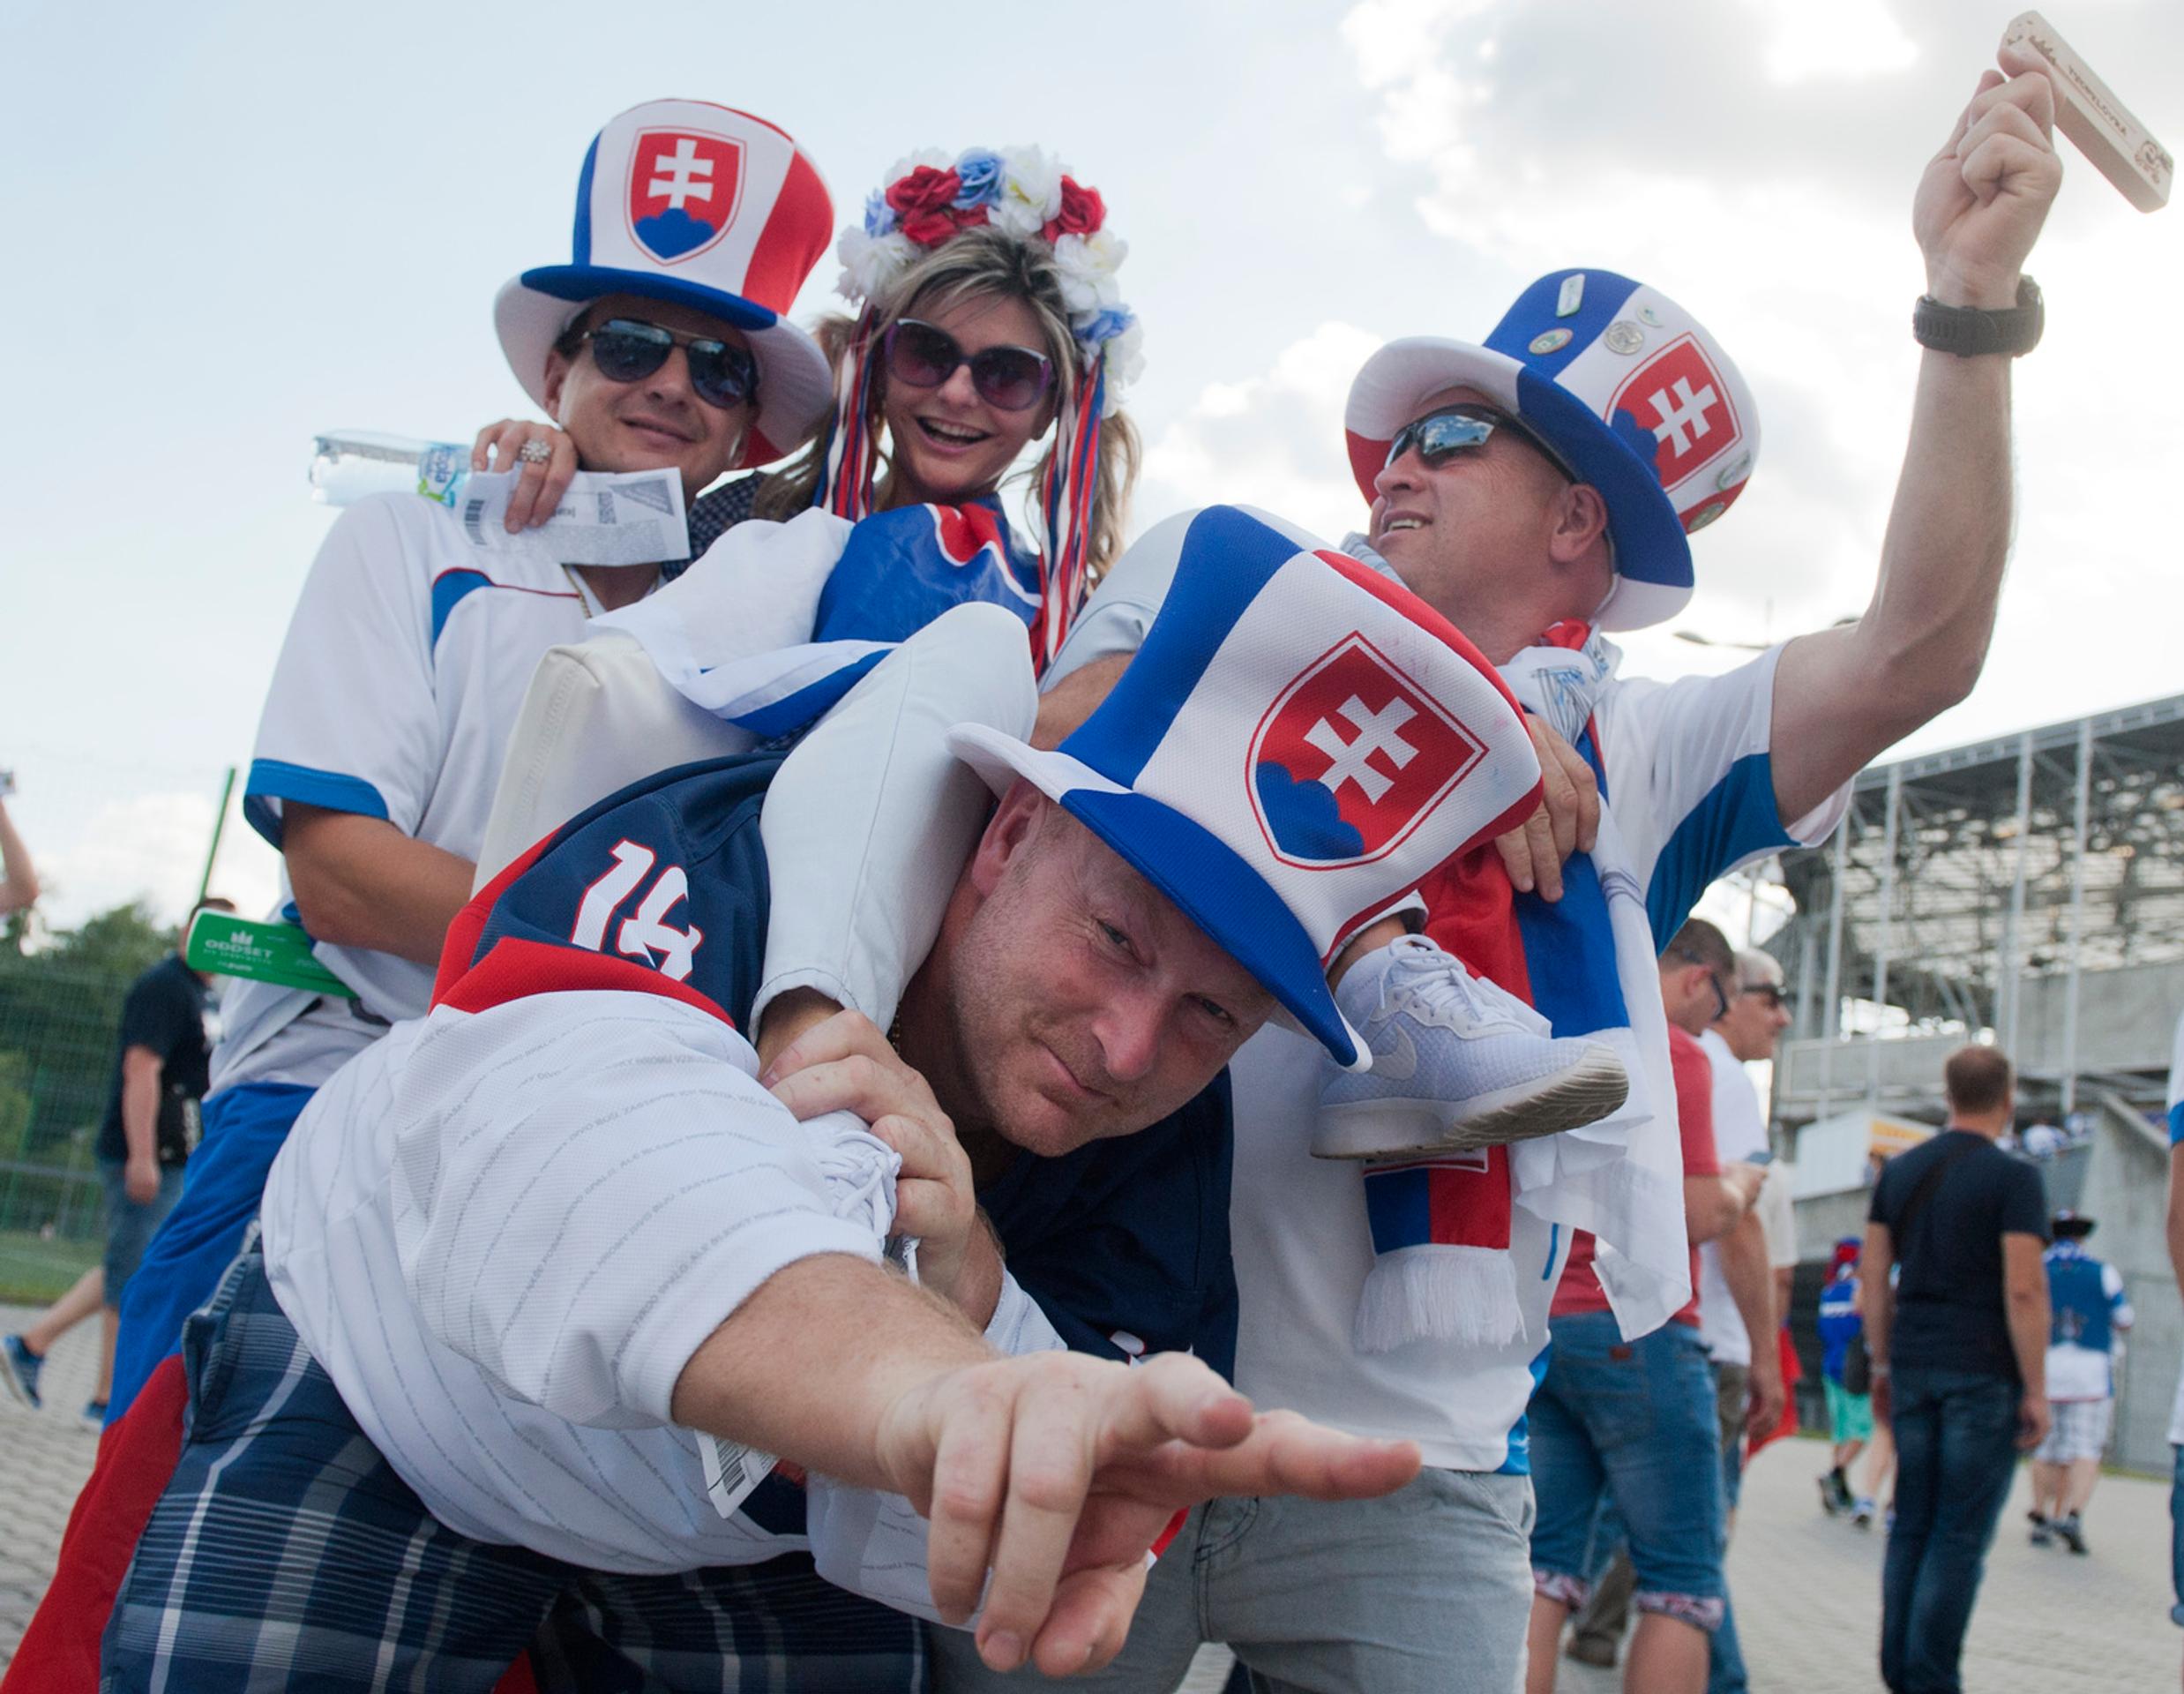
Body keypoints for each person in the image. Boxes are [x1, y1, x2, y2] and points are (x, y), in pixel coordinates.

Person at [943, 47, 2063, 1694]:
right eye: (1399, 430)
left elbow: (1917, 655)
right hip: (1108, 1394)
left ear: (1578, 534)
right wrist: (1403, 681)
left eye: (1455, 433)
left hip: (1427, 1475)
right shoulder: (1224, 569)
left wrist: (1966, 306)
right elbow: (1054, 751)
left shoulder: (1645, 752)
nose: (1392, 457)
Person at [101, 507, 1544, 1690]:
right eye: (1115, 939)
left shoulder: (1170, 1149)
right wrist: (939, 1379)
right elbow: (591, 1173)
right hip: (400, 1397)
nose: (1124, 1046)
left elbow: (1045, 1446)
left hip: (719, 1541)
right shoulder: (714, 856)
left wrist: (976, 1295)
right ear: (1010, 835)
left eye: (1210, 1015)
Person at [5, 99, 840, 1694]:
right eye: (628, 343)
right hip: (331, 1102)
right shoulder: (414, 535)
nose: (668, 382)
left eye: (716, 362)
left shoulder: (755, 617)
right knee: (144, 1580)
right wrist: (609, 984)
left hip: (595, 1157)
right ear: (553, 374)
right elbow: (335, 870)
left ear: (748, 427)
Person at [1524, 918, 1763, 1694]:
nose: (1715, 1019)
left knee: (1546, 1567)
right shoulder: (1675, 1056)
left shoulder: (1573, 1037)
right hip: (1641, 1332)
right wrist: (1736, 1189)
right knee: (1682, 1583)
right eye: (1719, 1000)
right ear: (1699, 979)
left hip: (1555, 1325)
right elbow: (1692, 1213)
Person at [1862, 1045, 2051, 1694]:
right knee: (1958, 1535)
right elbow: (2024, 1290)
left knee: (1910, 1520)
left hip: (1914, 1363)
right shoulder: (2015, 1179)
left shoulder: (1901, 1172)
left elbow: (1872, 1283)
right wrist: (2037, 1389)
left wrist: (1883, 1365)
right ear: (2007, 1099)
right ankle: (1931, 1676)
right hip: (1984, 1373)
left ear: (1948, 1095)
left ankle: (1899, 1668)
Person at [3, 898, 232, 1427]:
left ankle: (32, 1345)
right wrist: (142, 1156)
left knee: (130, 1260)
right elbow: (140, 1070)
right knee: (135, 1272)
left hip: (179, 1151)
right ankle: (109, 1397)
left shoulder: (204, 994)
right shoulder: (164, 987)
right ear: (188, 931)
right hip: (147, 1154)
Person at [2029, 1210, 2131, 1553]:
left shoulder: (2039, 1268)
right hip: (2089, 1370)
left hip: (2048, 1365)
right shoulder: (2102, 1272)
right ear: (2082, 1237)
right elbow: (2124, 1317)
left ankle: (2041, 1517)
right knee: (2086, 1448)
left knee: (2046, 1446)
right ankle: (2072, 1514)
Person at [1815, 1237, 1874, 1517]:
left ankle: (1839, 1490)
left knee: (1840, 1428)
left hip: (1829, 1365)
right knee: (1864, 1428)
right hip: (1856, 1368)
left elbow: (1822, 1331)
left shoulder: (1829, 1291)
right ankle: (1835, 1473)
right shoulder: (1859, 1291)